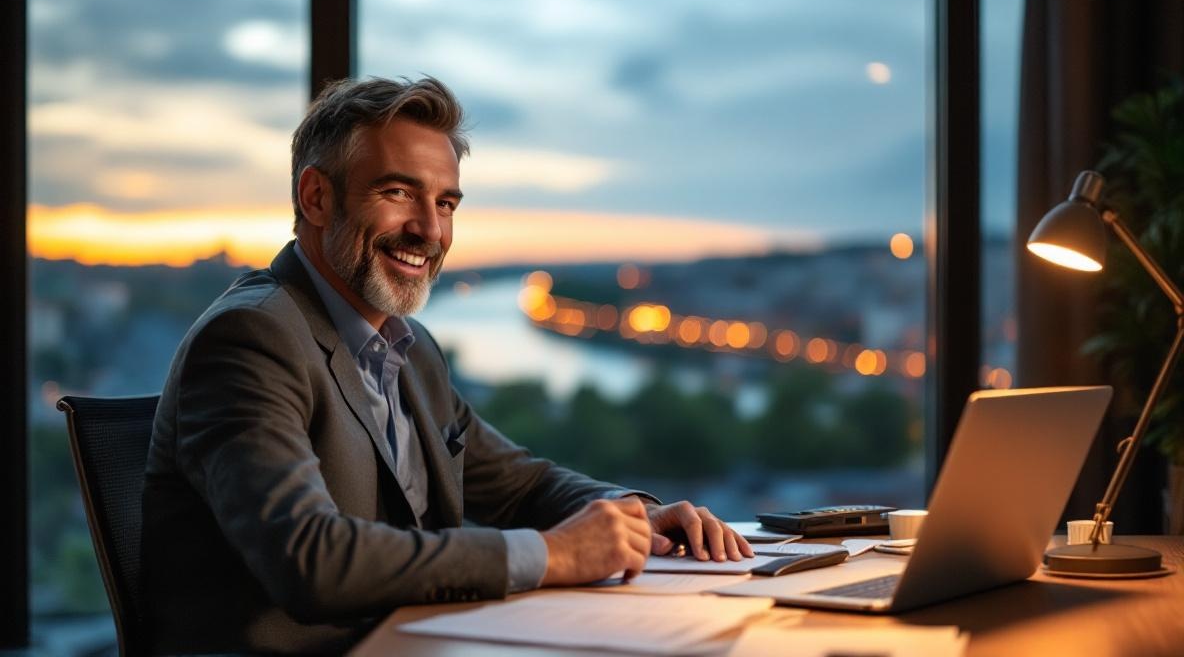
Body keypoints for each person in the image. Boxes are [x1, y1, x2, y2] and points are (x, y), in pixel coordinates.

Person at [141, 76, 753, 654]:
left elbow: (521, 484)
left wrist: (633, 515)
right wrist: (553, 555)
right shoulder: (251, 336)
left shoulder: (409, 350)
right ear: (316, 197)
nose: (430, 230)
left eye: (447, 203)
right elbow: (311, 559)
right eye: (398, 193)